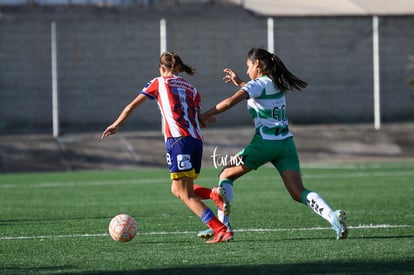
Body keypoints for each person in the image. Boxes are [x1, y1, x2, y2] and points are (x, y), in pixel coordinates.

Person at [197, 47, 348, 240]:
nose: (246, 71)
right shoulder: (275, 82)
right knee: (297, 192)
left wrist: (203, 116)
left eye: (248, 66)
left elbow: (228, 103)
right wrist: (240, 83)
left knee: (225, 174)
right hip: (286, 144)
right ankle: (332, 217)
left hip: (265, 144)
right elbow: (258, 91)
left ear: (257, 64)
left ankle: (223, 227)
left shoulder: (257, 84)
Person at [101, 51, 233, 243]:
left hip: (178, 141)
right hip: (196, 141)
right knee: (176, 190)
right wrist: (206, 119)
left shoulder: (158, 82)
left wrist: (117, 124)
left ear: (162, 68)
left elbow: (131, 106)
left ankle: (220, 229)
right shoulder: (192, 89)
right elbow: (197, 119)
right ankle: (213, 194)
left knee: (186, 195)